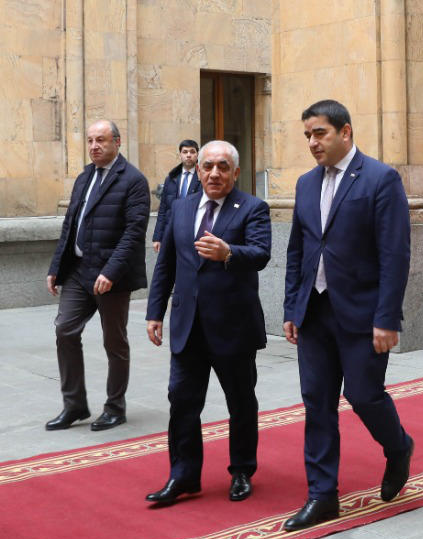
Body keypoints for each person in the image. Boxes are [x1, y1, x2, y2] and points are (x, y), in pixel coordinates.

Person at [281, 100, 416, 531]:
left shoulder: (380, 179)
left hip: (362, 314)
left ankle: (398, 447)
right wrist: (291, 307)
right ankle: (322, 495)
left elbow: (394, 254)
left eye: (319, 133)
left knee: (363, 395)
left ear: (346, 132)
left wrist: (387, 317)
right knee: (316, 403)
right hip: (315, 313)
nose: (312, 143)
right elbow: (298, 251)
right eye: (307, 136)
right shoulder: (305, 184)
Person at [144, 140, 271, 507]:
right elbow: (166, 263)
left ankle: (242, 471)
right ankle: (182, 476)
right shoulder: (181, 208)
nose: (214, 173)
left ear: (235, 172)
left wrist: (229, 252)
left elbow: (261, 254)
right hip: (188, 327)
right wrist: (155, 313)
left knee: (240, 402)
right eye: (207, 166)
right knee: (181, 401)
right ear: (197, 170)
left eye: (222, 167)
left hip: (233, 327)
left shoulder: (252, 208)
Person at [45, 120, 150, 431]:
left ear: (117, 141)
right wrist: (55, 268)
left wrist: (111, 272)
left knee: (114, 342)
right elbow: (69, 225)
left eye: (101, 140)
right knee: (65, 330)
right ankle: (74, 405)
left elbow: (133, 233)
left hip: (110, 277)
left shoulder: (133, 180)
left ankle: (115, 407)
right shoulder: (84, 177)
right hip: (78, 272)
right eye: (90, 140)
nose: (94, 146)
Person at [152, 139, 200, 252]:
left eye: (192, 152)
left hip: (194, 234)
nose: (189, 155)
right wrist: (157, 237)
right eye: (185, 152)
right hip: (172, 231)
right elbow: (163, 209)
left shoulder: (202, 178)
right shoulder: (171, 179)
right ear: (179, 155)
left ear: (197, 154)